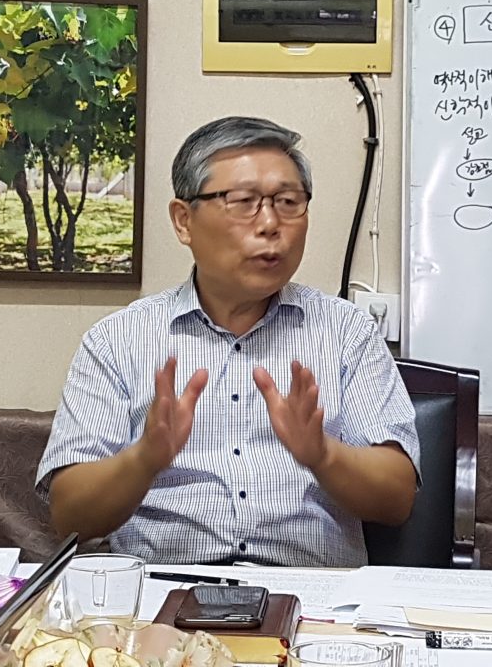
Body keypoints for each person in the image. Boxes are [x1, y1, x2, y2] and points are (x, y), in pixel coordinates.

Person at [36, 116, 420, 567]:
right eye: (243, 202)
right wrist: (143, 460)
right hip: (166, 589)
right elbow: (70, 517)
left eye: (288, 201)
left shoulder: (346, 332)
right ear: (184, 221)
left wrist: (323, 455)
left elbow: (397, 501)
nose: (271, 223)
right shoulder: (117, 340)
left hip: (312, 592)